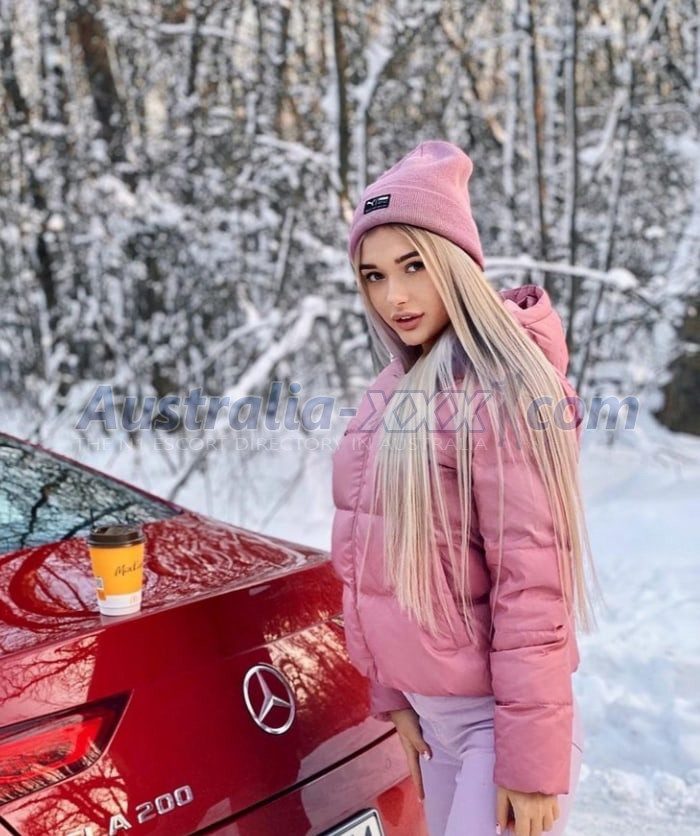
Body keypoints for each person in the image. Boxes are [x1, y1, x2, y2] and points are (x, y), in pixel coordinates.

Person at [330, 140, 602, 836]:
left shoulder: (505, 390)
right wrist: (394, 693)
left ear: (455, 262)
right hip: (434, 723)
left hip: (494, 729)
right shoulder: (394, 391)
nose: (394, 296)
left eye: (414, 265)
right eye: (373, 275)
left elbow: (531, 587)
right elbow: (373, 562)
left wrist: (530, 766)